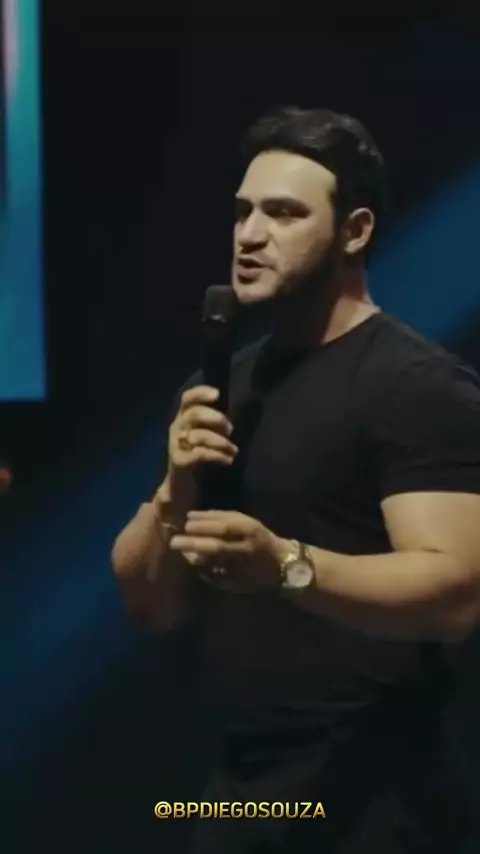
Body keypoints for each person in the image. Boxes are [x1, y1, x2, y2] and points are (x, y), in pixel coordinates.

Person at [111, 106, 480, 852]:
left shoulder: (415, 386)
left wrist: (284, 565)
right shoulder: (224, 387)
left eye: (282, 214)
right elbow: (152, 605)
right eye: (242, 211)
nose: (249, 235)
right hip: (241, 789)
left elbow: (457, 596)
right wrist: (175, 488)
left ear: (355, 231)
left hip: (375, 800)